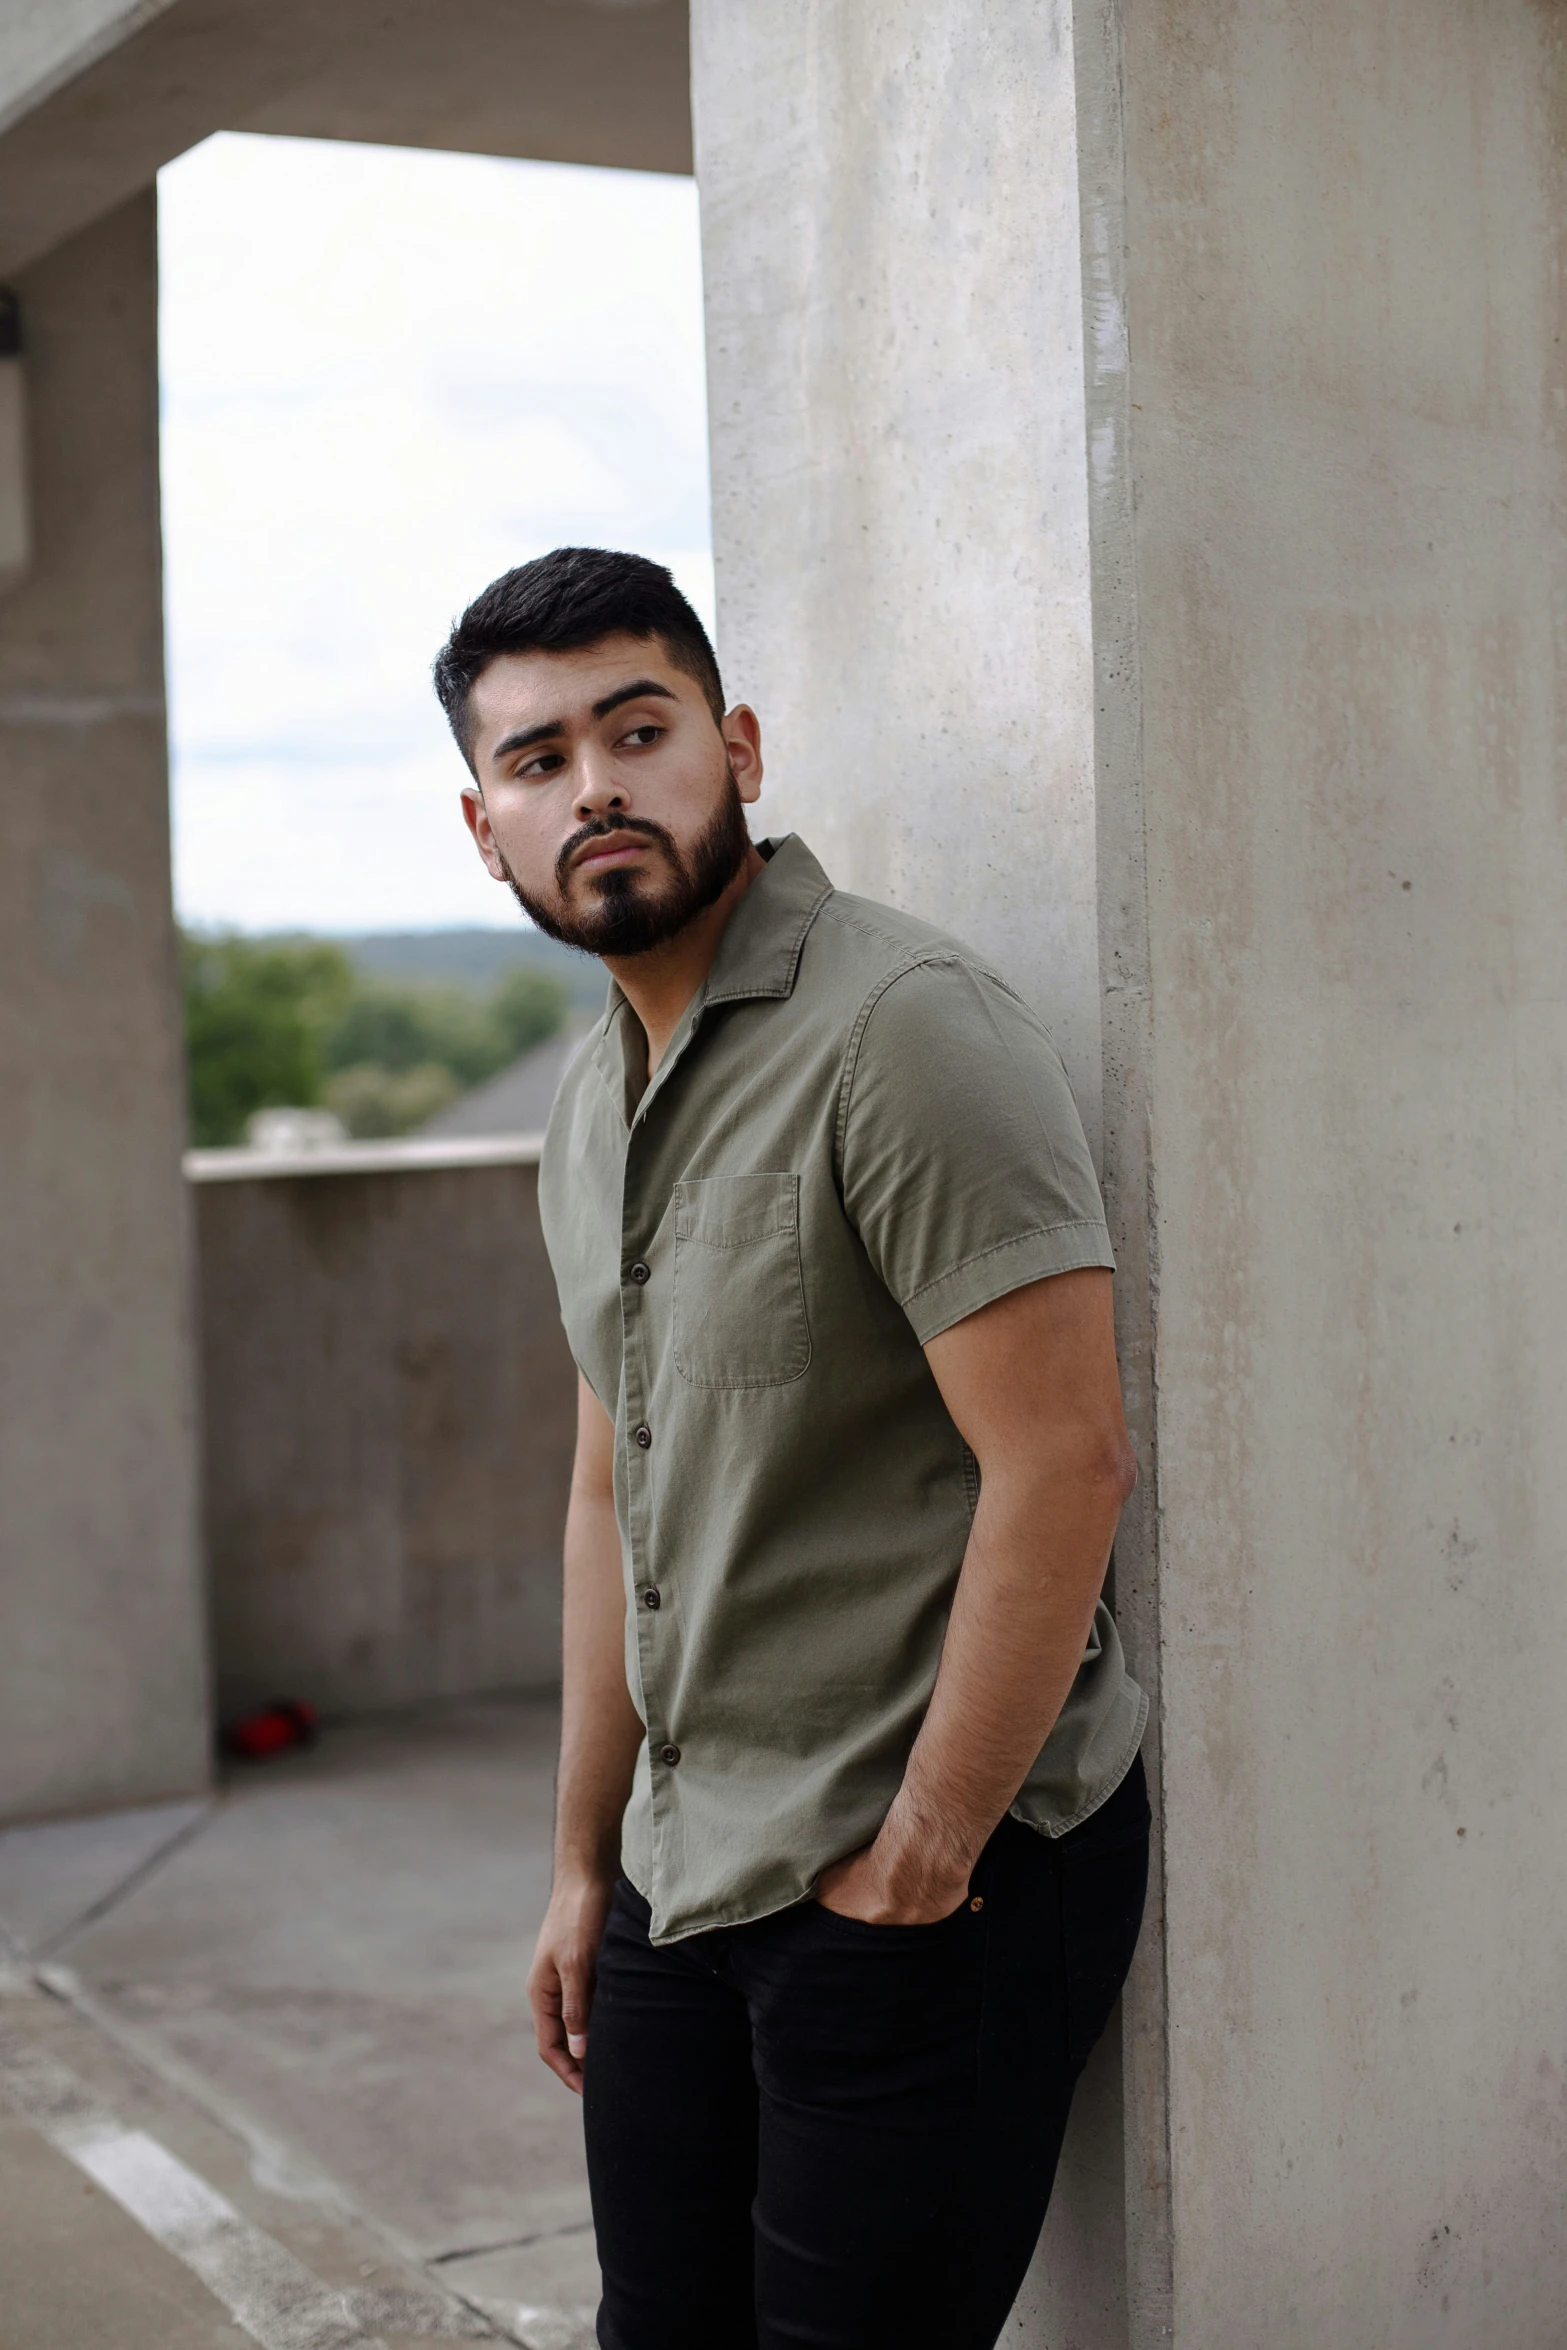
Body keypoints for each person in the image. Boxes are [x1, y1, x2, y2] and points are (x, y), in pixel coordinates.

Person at [434, 547, 1150, 2350]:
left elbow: (1062, 1461)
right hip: (688, 1865)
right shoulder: (586, 1110)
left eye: (636, 728)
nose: (591, 784)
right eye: (535, 760)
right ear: (484, 825)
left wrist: (918, 1853)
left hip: (926, 1871)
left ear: (733, 746)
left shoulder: (900, 1030)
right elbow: (614, 1494)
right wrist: (585, 1858)